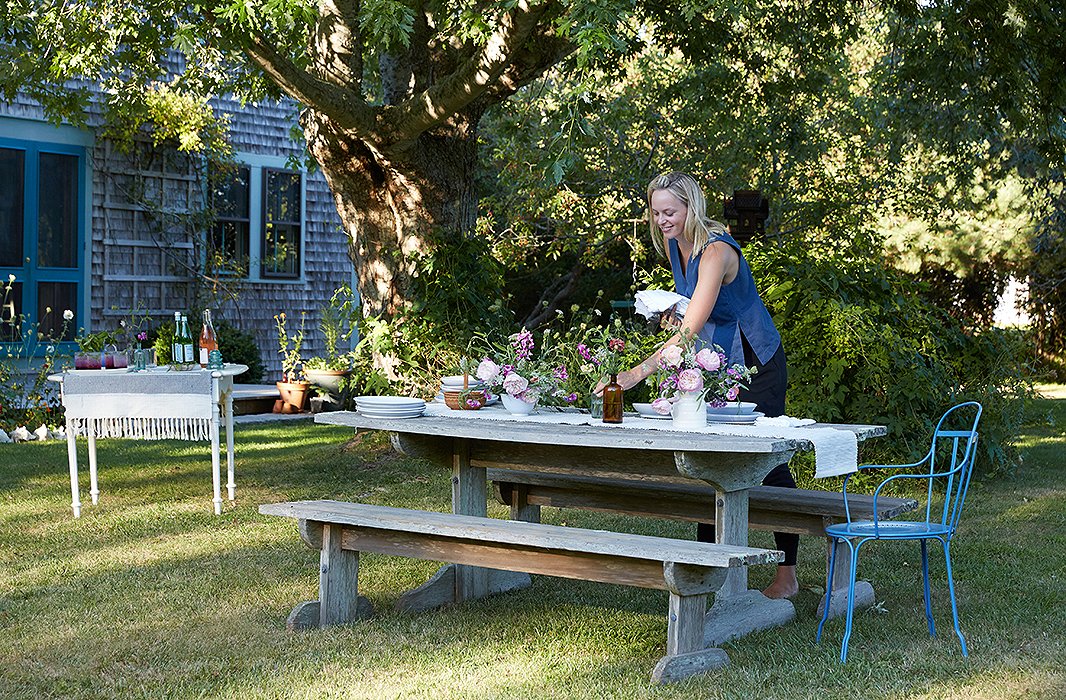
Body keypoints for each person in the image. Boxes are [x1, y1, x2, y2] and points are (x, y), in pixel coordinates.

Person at [610, 171, 799, 600]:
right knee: (709, 459)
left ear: (692, 208)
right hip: (715, 361)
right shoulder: (677, 243)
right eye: (656, 212)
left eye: (670, 212)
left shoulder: (715, 250)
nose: (662, 220)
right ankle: (709, 571)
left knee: (767, 461)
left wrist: (636, 375)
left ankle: (787, 572)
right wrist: (671, 315)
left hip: (754, 362)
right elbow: (694, 314)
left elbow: (692, 329)